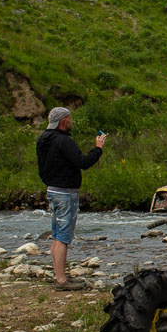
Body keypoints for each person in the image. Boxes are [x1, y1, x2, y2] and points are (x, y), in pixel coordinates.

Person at [37, 106, 106, 291]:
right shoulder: (63, 141)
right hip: (66, 193)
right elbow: (83, 162)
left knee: (57, 234)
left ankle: (59, 275)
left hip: (53, 190)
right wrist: (98, 148)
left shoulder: (43, 139)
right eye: (70, 118)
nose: (72, 121)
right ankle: (61, 280)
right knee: (63, 237)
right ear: (63, 121)